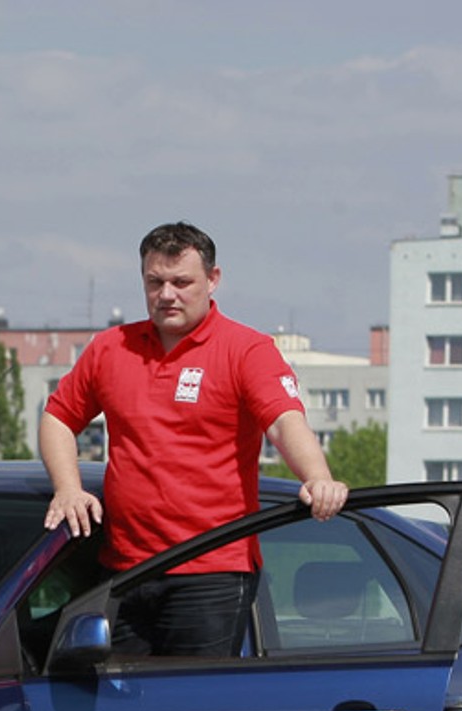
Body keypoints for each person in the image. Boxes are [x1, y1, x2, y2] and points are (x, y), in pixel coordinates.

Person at [40, 221, 349, 656]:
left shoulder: (246, 349)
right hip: (122, 570)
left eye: (181, 282)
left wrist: (319, 477)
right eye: (155, 282)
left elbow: (283, 420)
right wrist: (68, 489)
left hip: (211, 572)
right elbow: (57, 417)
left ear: (213, 279)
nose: (167, 294)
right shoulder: (111, 348)